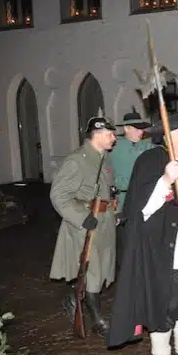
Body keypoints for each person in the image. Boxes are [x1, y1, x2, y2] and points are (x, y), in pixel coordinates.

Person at [106, 112, 178, 355]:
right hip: (163, 248)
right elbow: (141, 209)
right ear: (170, 137)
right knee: (163, 303)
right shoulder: (151, 161)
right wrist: (165, 180)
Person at [49, 115, 117, 337]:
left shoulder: (103, 159)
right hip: (84, 225)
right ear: (96, 134)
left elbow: (107, 192)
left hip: (103, 221)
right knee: (93, 272)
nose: (114, 138)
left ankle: (73, 298)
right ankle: (98, 320)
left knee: (103, 267)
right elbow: (58, 194)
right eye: (110, 134)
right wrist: (80, 217)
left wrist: (114, 212)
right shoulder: (76, 160)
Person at [110, 108, 153, 270]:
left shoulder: (147, 146)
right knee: (124, 238)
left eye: (142, 128)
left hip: (143, 197)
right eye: (137, 128)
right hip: (121, 198)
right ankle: (125, 270)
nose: (141, 131)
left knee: (142, 234)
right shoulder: (114, 147)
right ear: (126, 129)